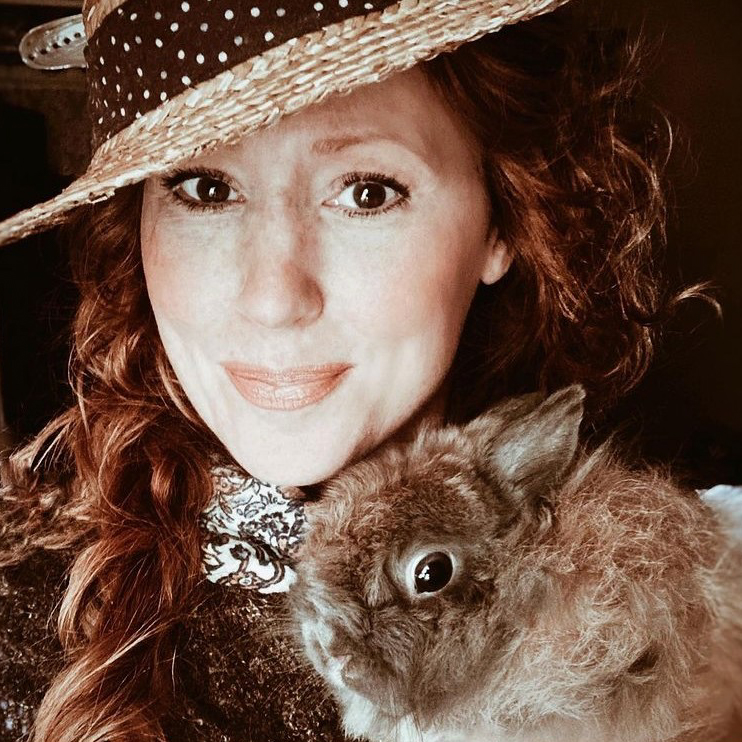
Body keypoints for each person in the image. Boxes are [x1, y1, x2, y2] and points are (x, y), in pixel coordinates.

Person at [0, 0, 718, 740]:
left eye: (366, 192)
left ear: (504, 221)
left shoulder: (693, 621)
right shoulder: (15, 615)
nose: (275, 299)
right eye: (207, 188)